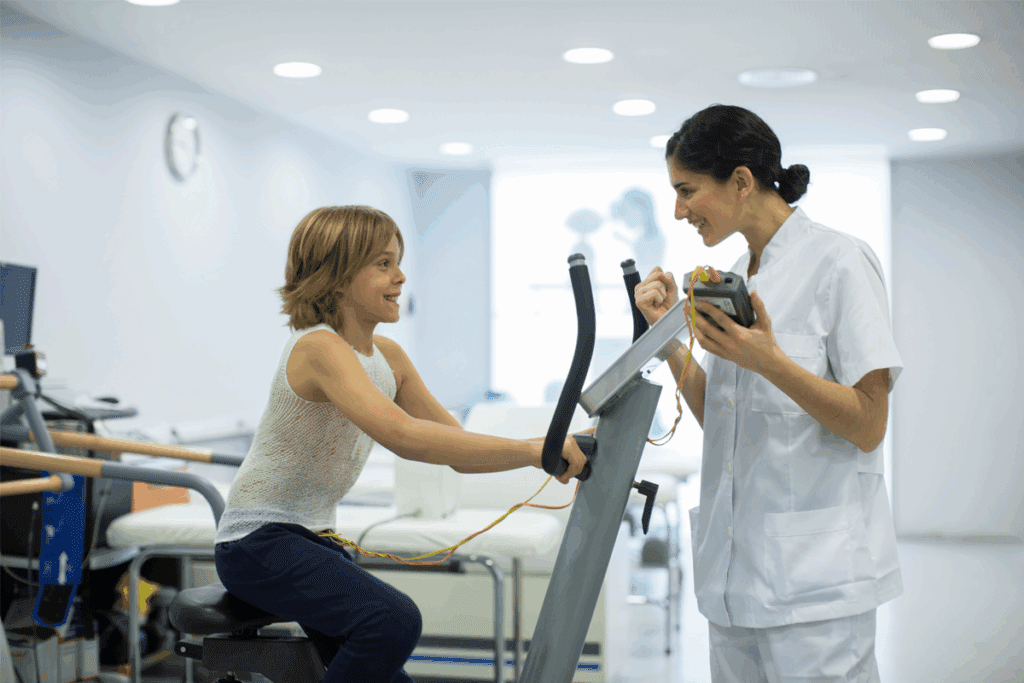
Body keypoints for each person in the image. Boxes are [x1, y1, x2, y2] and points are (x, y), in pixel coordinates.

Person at [212, 205, 589, 683]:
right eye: (384, 264)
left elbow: (456, 447)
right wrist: (537, 450)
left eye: (398, 262)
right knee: (391, 619)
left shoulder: (388, 356)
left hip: (311, 540)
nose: (401, 276)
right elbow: (403, 436)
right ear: (338, 275)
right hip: (256, 544)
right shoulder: (319, 348)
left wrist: (542, 446)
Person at [633, 104, 903, 683]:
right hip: (734, 579)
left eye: (687, 191)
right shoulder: (735, 275)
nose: (678, 211)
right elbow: (726, 419)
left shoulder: (840, 263)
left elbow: (869, 424)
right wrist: (667, 338)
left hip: (817, 590)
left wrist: (771, 361)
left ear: (740, 181)